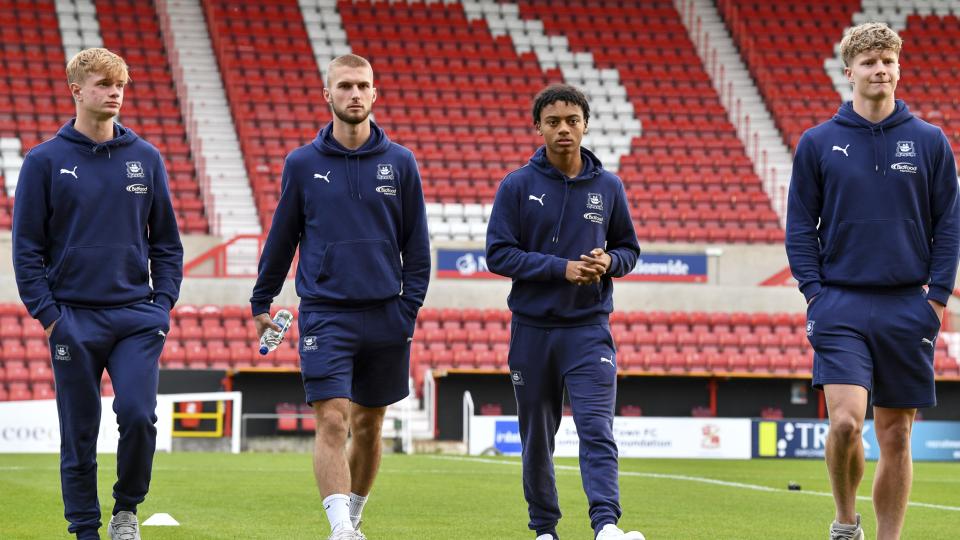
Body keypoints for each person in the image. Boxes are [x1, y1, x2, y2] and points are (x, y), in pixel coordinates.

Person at [786, 22, 959, 540]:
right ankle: (845, 523)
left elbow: (948, 225)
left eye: (888, 60)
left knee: (897, 435)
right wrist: (814, 294)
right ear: (849, 73)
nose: (880, 69)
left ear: (898, 68)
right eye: (869, 62)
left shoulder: (930, 141)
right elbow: (799, 227)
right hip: (839, 303)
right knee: (844, 423)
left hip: (909, 305)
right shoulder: (817, 143)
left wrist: (937, 298)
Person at [249, 53, 430, 540]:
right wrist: (261, 301)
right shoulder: (302, 164)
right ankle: (340, 530)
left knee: (369, 428)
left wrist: (407, 310)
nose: (354, 94)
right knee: (332, 420)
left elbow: (417, 245)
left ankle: (353, 515)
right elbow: (282, 238)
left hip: (387, 315)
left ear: (375, 94)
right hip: (326, 314)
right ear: (327, 95)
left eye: (362, 85)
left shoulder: (401, 163)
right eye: (344, 86)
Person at [12, 48, 183, 540]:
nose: (114, 93)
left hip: (136, 316)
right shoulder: (44, 161)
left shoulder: (146, 158)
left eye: (120, 85)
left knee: (138, 416)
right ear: (77, 90)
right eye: (105, 84)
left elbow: (167, 243)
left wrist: (162, 305)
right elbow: (26, 250)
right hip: (72, 318)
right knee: (79, 432)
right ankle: (85, 529)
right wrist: (50, 316)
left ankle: (126, 509)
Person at [486, 84, 644, 540]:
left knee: (597, 428)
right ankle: (544, 531)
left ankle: (607, 526)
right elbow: (498, 254)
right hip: (532, 330)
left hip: (588, 329)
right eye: (553, 121)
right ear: (538, 127)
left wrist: (609, 262)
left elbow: (629, 249)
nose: (563, 129)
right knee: (538, 436)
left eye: (572, 121)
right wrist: (562, 269)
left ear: (586, 125)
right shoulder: (517, 185)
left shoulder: (609, 186)